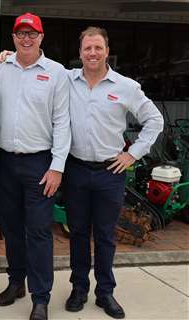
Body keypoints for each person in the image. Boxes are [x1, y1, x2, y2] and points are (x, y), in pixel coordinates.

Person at [63, 27, 163, 319]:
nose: (92, 53)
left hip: (110, 172)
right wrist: (5, 56)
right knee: (79, 233)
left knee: (106, 235)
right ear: (80, 52)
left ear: (107, 51)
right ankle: (79, 288)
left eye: (97, 48)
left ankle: (105, 292)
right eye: (87, 49)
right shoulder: (67, 80)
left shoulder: (126, 86)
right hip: (76, 170)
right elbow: (35, 65)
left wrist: (132, 154)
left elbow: (154, 120)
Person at [0, 13, 70, 320]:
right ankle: (16, 282)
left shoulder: (57, 73)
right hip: (4, 161)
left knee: (38, 231)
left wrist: (57, 167)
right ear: (12, 38)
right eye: (21, 33)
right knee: (10, 228)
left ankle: (41, 297)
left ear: (41, 37)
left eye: (32, 33)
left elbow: (63, 122)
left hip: (40, 163)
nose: (26, 38)